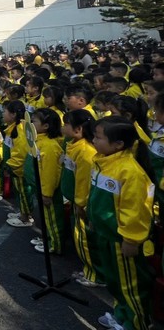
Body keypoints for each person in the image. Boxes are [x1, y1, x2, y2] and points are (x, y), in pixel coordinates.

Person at [89, 117, 154, 330]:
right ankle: (121, 315)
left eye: (98, 137)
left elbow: (136, 210)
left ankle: (137, 324)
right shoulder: (102, 161)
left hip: (121, 240)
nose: (94, 140)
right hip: (105, 234)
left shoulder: (130, 171)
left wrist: (131, 240)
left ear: (118, 144)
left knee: (131, 287)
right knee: (115, 282)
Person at [60, 109, 103, 288]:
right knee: (80, 238)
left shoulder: (86, 152)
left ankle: (95, 274)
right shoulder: (73, 144)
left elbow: (84, 182)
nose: (63, 127)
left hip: (81, 205)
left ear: (77, 129)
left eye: (66, 124)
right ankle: (88, 269)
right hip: (73, 199)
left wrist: (80, 204)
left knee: (85, 240)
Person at [25, 109, 64, 254]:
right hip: (38, 187)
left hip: (47, 191)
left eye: (34, 121)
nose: (30, 124)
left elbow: (50, 173)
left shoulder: (49, 146)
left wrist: (47, 193)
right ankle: (47, 238)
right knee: (44, 216)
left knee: (52, 219)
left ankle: (55, 245)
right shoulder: (38, 140)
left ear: (46, 126)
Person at [3, 100, 32, 228]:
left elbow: (20, 153)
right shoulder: (12, 127)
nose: (3, 114)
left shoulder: (20, 129)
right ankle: (22, 212)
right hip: (14, 168)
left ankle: (26, 217)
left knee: (23, 192)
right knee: (20, 192)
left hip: (19, 169)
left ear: (13, 114)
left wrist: (11, 166)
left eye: (5, 112)